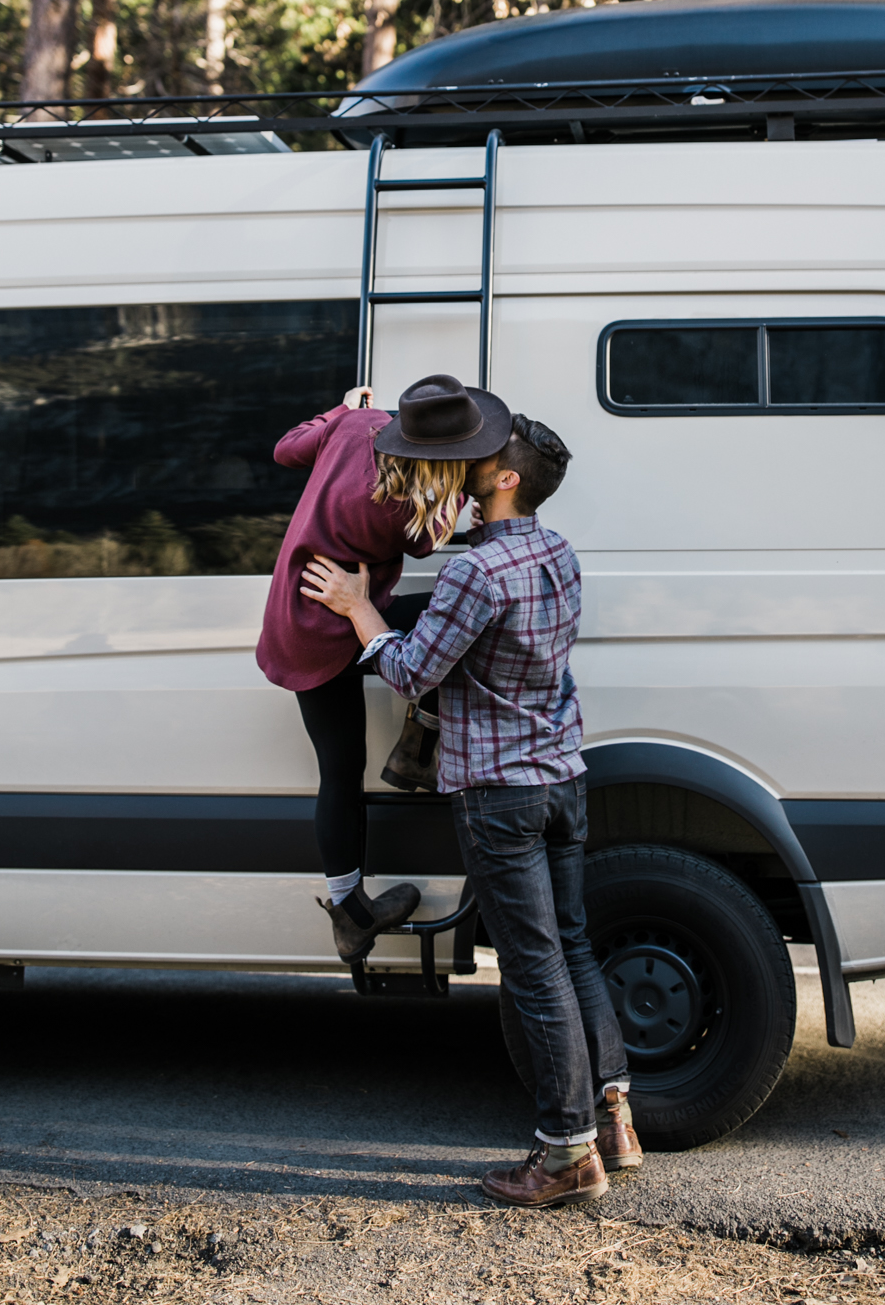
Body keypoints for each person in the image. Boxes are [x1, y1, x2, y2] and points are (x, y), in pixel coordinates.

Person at [301, 414, 641, 1210]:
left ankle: (565, 1156)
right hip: (562, 777)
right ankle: (614, 1116)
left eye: (486, 458)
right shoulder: (557, 552)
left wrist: (358, 606)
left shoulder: (475, 574)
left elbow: (414, 673)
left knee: (532, 969)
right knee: (572, 944)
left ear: (507, 480)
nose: (471, 460)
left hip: (499, 791)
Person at [256, 373, 512, 965]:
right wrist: (455, 497)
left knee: (339, 772)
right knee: (464, 625)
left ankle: (350, 910)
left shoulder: (353, 426)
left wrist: (339, 411)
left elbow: (286, 448)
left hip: (299, 615)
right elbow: (426, 541)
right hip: (330, 622)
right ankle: (419, 744)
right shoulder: (404, 511)